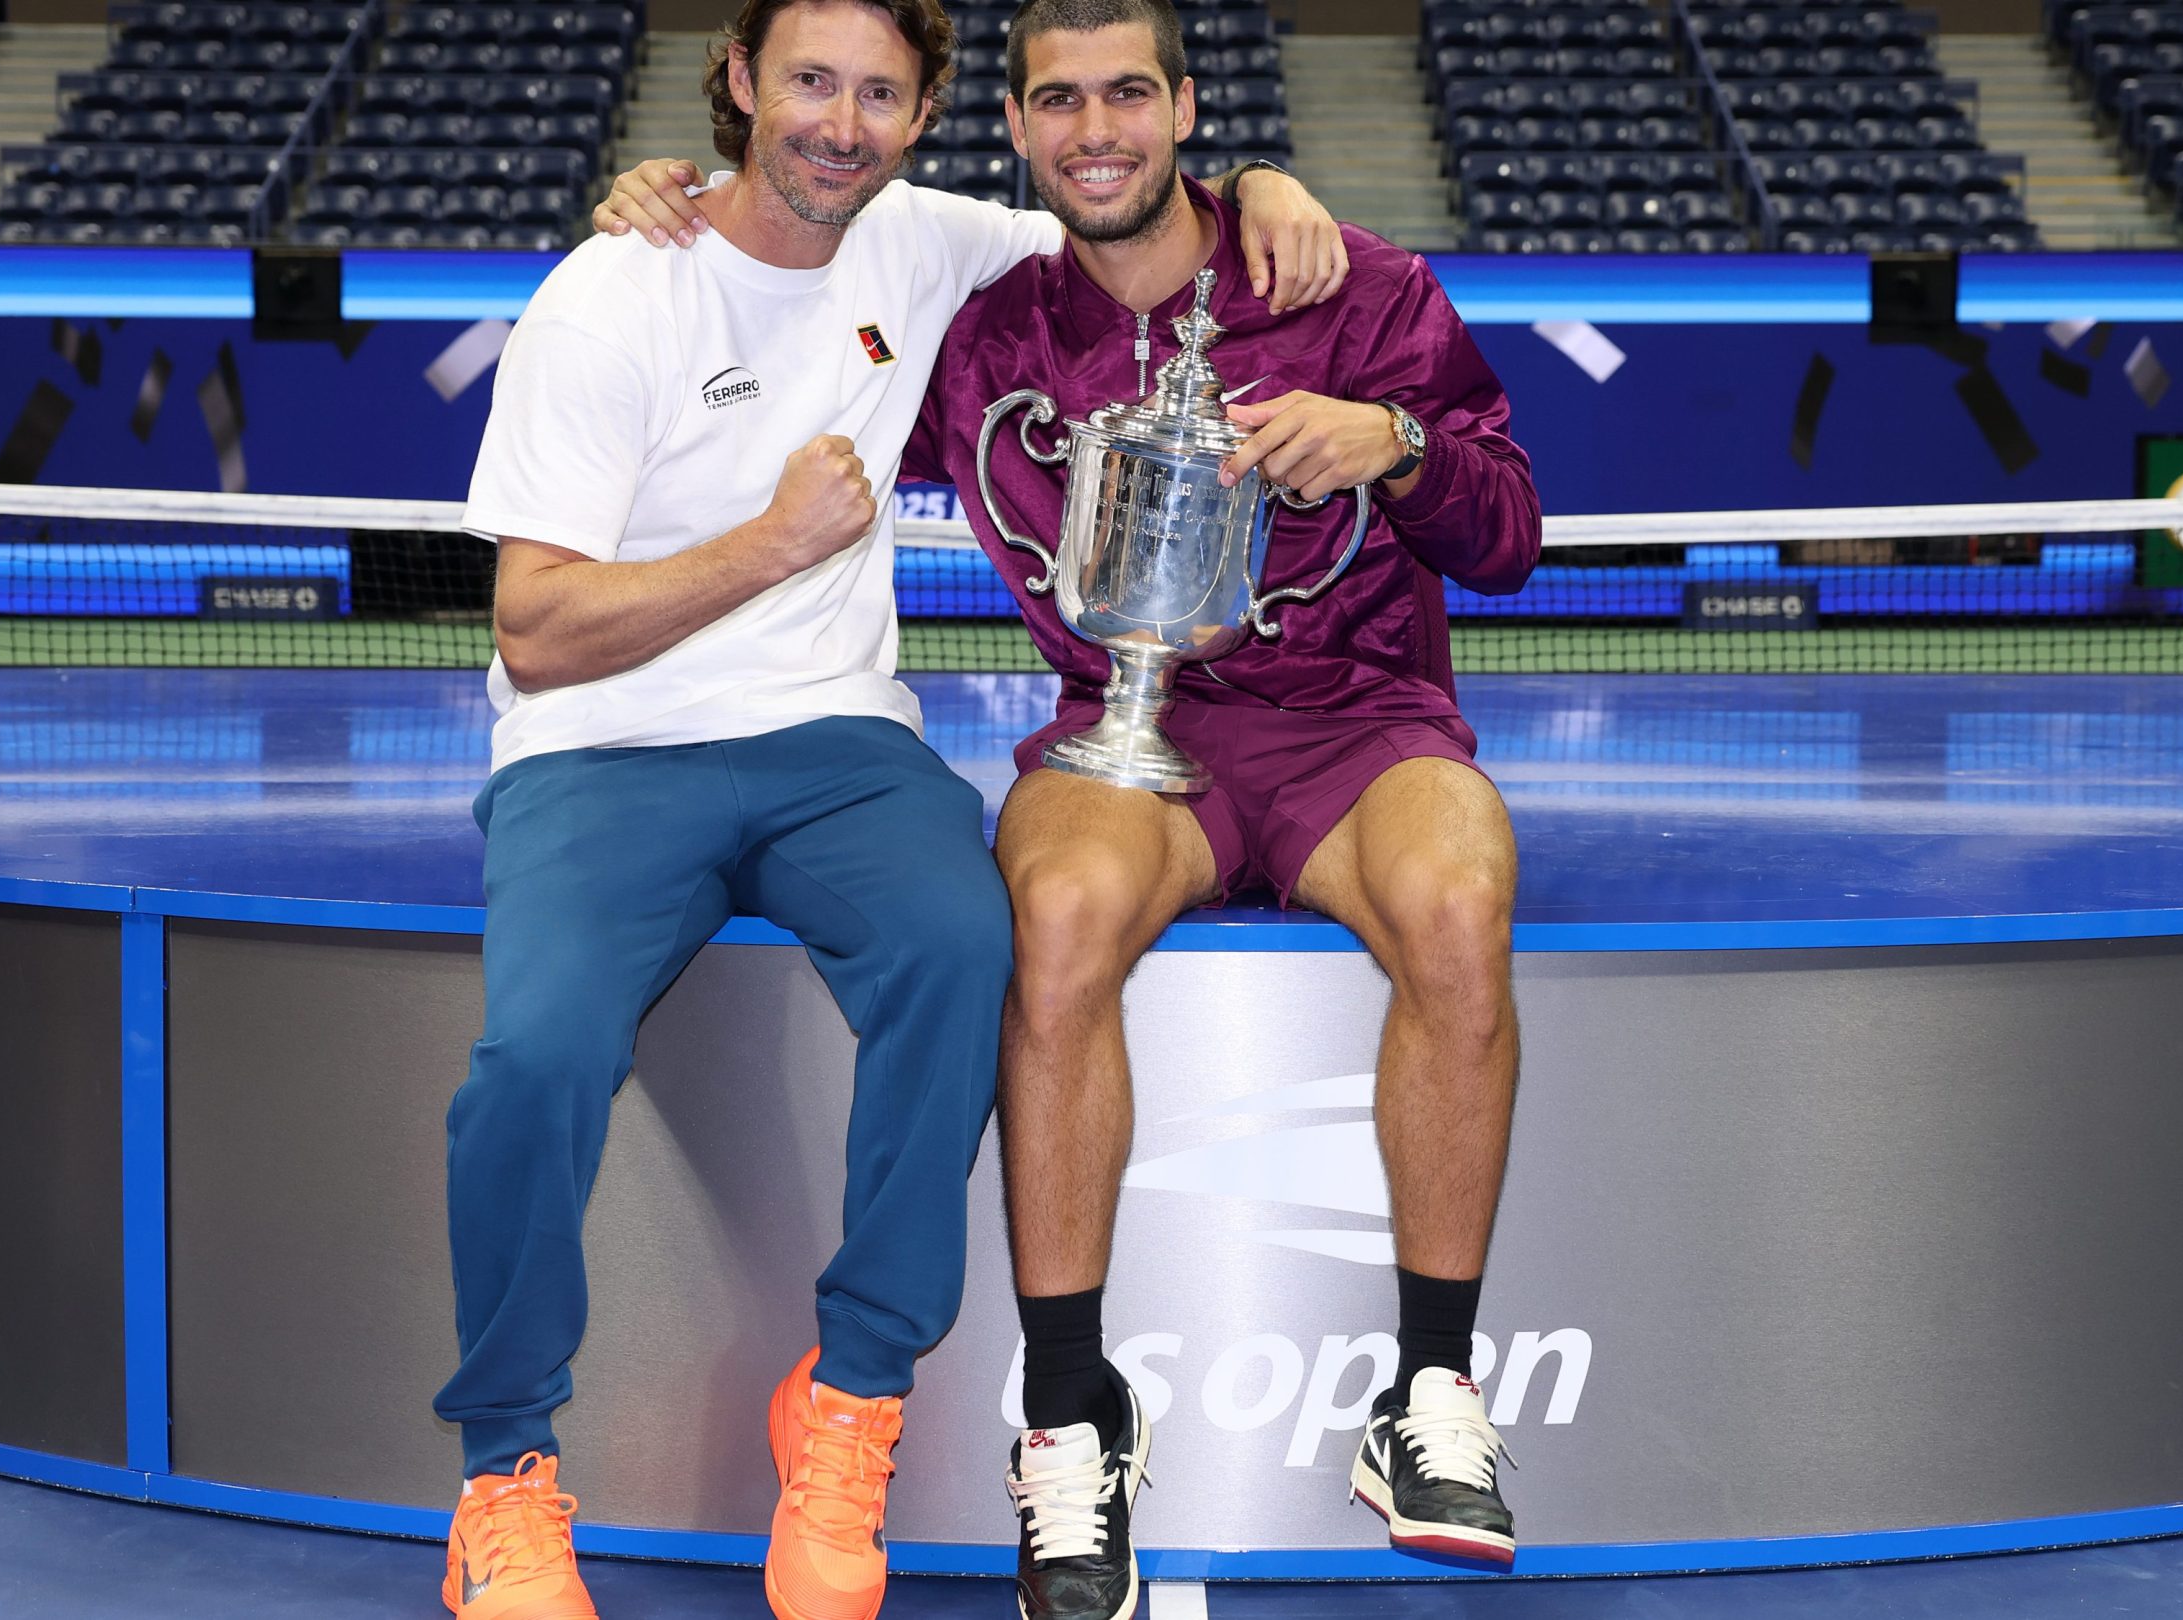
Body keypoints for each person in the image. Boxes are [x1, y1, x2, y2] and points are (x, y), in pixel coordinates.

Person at [593, 1, 1542, 1611]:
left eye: (1127, 95)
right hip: (1125, 732)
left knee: (1461, 896)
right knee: (1054, 916)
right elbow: (794, 240)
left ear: (1183, 108)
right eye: (1057, 102)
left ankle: (1431, 1394)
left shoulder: (1350, 284)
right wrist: (661, 202)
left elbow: (1509, 532)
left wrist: (1391, 445)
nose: (1094, 129)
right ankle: (1069, 1414)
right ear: (1018, 132)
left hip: (1359, 726)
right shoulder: (982, 326)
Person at [437, 2, 1347, 1618]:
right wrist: (768, 548)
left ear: (930, 116)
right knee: (534, 1057)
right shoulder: (607, 295)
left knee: (959, 947)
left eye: (878, 94)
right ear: (737, 82)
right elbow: (535, 630)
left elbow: (1123, 195)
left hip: (836, 743)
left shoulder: (933, 244)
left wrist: (1267, 178)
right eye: (808, 84)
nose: (839, 126)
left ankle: (851, 1406)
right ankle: (505, 1475)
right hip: (598, 748)